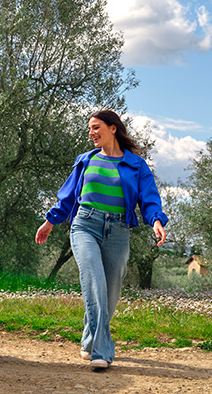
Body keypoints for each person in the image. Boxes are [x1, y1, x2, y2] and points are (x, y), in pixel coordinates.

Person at [35, 110, 168, 371]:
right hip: (85, 225)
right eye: (90, 129)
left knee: (109, 293)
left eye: (96, 127)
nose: (91, 133)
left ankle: (88, 340)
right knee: (94, 282)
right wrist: (50, 221)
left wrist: (156, 220)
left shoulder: (136, 165)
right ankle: (102, 351)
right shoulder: (86, 160)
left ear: (113, 128)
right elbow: (68, 197)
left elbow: (149, 196)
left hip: (118, 231)